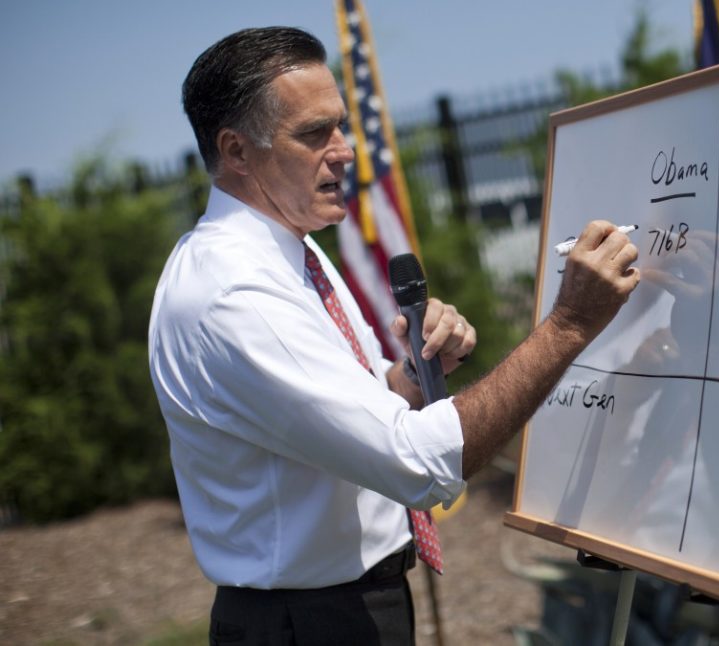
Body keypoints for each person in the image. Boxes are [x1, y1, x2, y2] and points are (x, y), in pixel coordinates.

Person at [148, 26, 640, 645]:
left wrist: (416, 372)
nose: (345, 150)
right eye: (313, 133)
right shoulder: (233, 292)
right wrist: (570, 326)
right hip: (307, 623)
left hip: (339, 607)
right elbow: (419, 465)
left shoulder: (291, 247)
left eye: (341, 125)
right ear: (237, 151)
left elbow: (361, 397)